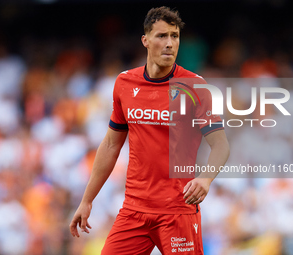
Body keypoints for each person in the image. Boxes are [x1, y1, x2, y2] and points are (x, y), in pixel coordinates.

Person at [69, 6, 230, 254]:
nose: (169, 43)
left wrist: (206, 178)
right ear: (145, 40)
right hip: (135, 209)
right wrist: (87, 200)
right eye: (162, 36)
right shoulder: (124, 83)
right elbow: (112, 144)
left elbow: (220, 145)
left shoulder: (194, 86)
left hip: (177, 210)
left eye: (174, 36)